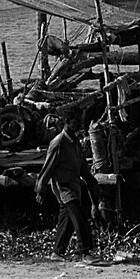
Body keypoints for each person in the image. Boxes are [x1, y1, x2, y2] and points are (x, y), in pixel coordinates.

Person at [35, 105, 98, 264]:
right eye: (76, 121)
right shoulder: (58, 143)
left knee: (67, 221)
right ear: (68, 122)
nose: (79, 124)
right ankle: (86, 252)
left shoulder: (76, 142)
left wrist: (91, 180)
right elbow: (48, 167)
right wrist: (41, 187)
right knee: (79, 218)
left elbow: (82, 167)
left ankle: (57, 252)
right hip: (64, 187)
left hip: (74, 186)